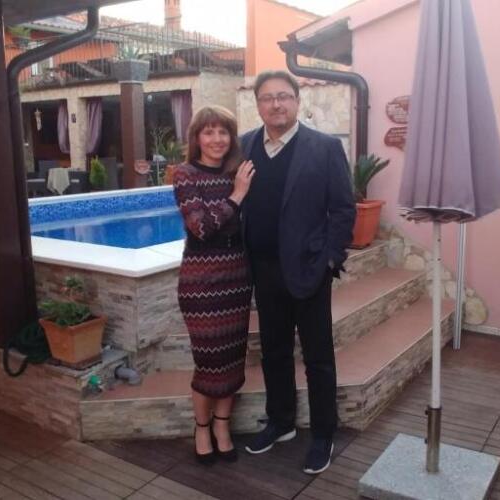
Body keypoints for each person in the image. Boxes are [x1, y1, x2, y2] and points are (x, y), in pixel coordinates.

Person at [240, 70, 356, 475]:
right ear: (258, 104)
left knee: (318, 357)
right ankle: (282, 421)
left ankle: (323, 433)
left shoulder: (324, 148)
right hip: (263, 270)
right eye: (267, 97)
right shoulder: (245, 145)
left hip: (309, 270)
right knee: (273, 352)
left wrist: (330, 259)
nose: (276, 104)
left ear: (297, 101)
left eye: (284, 96)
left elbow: (343, 208)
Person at [172, 105, 255, 465]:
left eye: (223, 132)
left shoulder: (238, 172)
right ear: (196, 137)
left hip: (237, 276)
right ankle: (202, 428)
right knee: (208, 361)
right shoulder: (185, 174)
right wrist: (237, 195)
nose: (217, 139)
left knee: (232, 359)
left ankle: (223, 427)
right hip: (201, 280)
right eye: (209, 132)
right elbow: (201, 228)